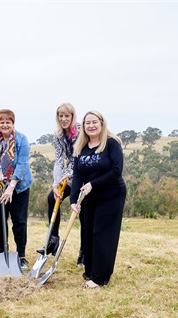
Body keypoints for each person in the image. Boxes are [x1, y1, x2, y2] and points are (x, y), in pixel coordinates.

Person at [70, 110, 126, 289]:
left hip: (111, 194)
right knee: (87, 234)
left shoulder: (111, 144)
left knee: (101, 234)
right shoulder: (81, 147)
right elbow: (77, 174)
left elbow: (116, 171)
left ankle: (100, 278)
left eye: (95, 122)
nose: (91, 126)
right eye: (87, 123)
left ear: (102, 124)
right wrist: (73, 200)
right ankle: (91, 271)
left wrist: (93, 184)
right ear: (83, 126)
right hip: (88, 197)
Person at [0, 109, 33, 269]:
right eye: (1, 122)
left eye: (8, 122)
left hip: (18, 188)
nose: (5, 125)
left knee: (19, 222)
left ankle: (21, 256)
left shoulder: (21, 139)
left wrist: (11, 186)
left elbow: (22, 164)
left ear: (13, 123)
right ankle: (2, 254)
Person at [35, 103, 85, 266]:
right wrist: (56, 184)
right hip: (69, 177)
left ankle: (84, 253)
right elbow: (58, 160)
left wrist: (68, 175)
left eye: (66, 116)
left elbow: (77, 157)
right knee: (52, 198)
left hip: (83, 175)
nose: (63, 119)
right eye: (60, 116)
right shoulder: (57, 135)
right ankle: (53, 240)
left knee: (82, 213)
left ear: (72, 116)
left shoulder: (80, 131)